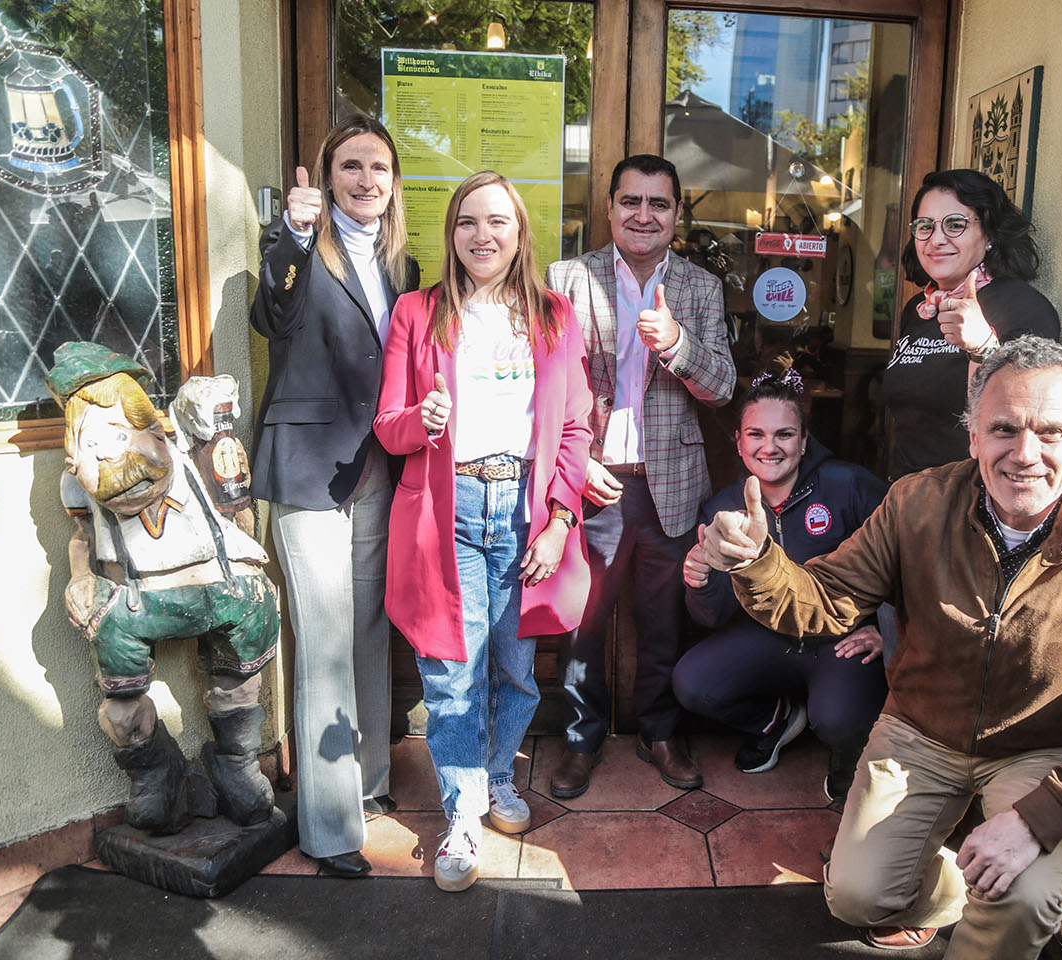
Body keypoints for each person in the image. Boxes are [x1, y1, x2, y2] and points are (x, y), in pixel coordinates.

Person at [700, 337, 1062, 956]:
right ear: (972, 437)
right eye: (1004, 429)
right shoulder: (916, 502)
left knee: (1018, 898)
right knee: (856, 895)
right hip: (921, 729)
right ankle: (946, 887)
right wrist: (756, 563)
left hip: (1040, 748)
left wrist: (1043, 815)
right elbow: (824, 599)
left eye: (1050, 432)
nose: (1025, 454)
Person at [374, 171, 592, 894]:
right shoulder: (418, 312)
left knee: (514, 668)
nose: (482, 235)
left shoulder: (555, 315)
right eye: (468, 221)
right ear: (452, 233)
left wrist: (562, 520)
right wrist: (421, 423)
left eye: (497, 221)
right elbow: (388, 423)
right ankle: (463, 812)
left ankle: (499, 777)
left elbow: (573, 426)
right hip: (450, 510)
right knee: (449, 671)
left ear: (520, 233)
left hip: (526, 510)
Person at [250, 113, 419, 877]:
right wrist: (288, 232)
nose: (366, 180)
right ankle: (326, 829)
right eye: (351, 166)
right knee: (321, 647)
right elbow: (270, 313)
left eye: (378, 168)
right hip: (307, 467)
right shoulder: (297, 248)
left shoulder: (403, 265)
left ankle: (369, 787)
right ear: (326, 175)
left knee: (366, 634)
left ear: (393, 182)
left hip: (375, 468)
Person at [545, 154, 736, 798]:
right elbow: (545, 390)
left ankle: (660, 732)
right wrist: (576, 462)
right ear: (611, 207)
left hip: (670, 485)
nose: (644, 215)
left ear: (677, 214)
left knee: (662, 620)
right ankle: (579, 738)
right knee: (583, 621)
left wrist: (677, 344)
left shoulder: (701, 288)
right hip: (591, 480)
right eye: (632, 201)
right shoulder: (565, 279)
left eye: (659, 204)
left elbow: (721, 388)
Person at [50, 343, 281, 836]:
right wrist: (81, 576)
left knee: (242, 675)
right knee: (121, 709)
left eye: (120, 434)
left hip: (220, 587)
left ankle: (235, 763)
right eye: (93, 446)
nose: (114, 456)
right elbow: (83, 538)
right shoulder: (79, 489)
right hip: (135, 602)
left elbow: (237, 508)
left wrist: (251, 561)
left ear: (153, 427)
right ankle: (157, 775)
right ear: (74, 456)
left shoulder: (197, 454)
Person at [672, 370, 888, 803]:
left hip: (842, 638)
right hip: (767, 637)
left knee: (838, 718)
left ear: (804, 441)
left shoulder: (849, 485)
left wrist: (886, 628)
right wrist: (698, 583)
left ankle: (848, 752)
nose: (769, 447)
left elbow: (903, 558)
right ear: (738, 441)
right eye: (756, 434)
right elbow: (712, 614)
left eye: (784, 434)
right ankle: (777, 721)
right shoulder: (723, 507)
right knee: (692, 682)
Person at [883, 169, 1061, 478]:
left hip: (973, 497)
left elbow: (1024, 419)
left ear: (990, 234)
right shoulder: (919, 308)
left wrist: (984, 346)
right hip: (909, 496)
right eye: (925, 226)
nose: (936, 239)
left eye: (955, 225)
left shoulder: (1025, 308)